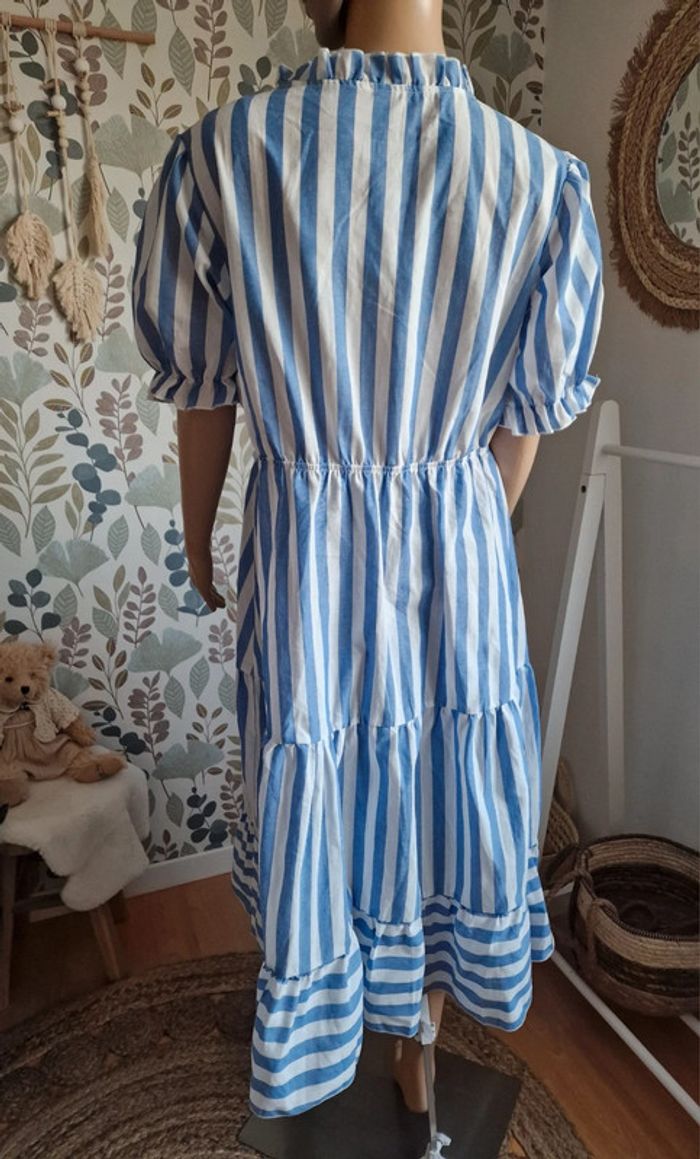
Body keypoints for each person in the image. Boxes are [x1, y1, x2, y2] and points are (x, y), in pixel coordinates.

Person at [131, 0, 604, 1122]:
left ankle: (357, 1032)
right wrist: (459, 530)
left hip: (307, 561)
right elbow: (525, 423)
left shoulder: (228, 155)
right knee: (434, 796)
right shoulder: (537, 181)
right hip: (461, 555)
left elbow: (204, 396)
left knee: (331, 791)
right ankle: (408, 1039)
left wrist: (199, 540)